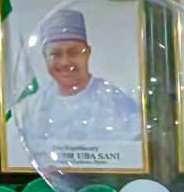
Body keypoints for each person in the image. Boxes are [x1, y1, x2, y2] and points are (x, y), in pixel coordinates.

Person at [20, 8, 142, 146]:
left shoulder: (116, 103)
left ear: (87, 53)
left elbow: (132, 152)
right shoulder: (32, 108)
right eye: (56, 54)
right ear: (45, 56)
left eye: (73, 53)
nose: (65, 62)